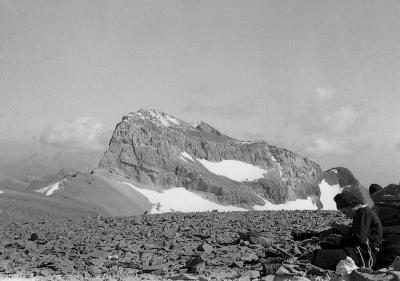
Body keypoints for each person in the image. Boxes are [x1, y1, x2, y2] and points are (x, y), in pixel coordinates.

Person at [304, 191, 382, 270]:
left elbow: (359, 239)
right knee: (326, 245)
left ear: (349, 206)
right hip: (360, 251)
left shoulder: (364, 213)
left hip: (364, 255)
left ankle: (303, 260)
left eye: (344, 211)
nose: (346, 215)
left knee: (317, 255)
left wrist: (340, 240)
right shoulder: (361, 213)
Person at [371, 184, 400, 269]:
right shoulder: (389, 200)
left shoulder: (386, 201)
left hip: (390, 244)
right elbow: (375, 198)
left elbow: (375, 198)